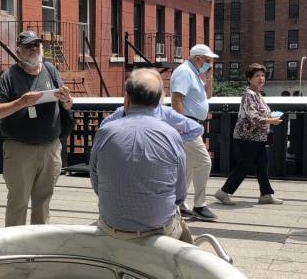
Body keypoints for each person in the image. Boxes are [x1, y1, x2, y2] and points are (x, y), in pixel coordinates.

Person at [90, 68, 193, 243]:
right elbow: (179, 194)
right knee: (186, 239)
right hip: (159, 231)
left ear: (127, 98)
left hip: (113, 227)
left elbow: (96, 182)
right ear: (159, 101)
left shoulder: (105, 131)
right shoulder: (171, 134)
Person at [0, 30, 73, 226]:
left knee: (43, 202)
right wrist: (21, 102)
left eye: (36, 44)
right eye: (28, 46)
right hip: (20, 150)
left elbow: (67, 105)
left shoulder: (51, 70)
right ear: (19, 52)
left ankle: (39, 248)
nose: (34, 48)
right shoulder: (9, 76)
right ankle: (14, 249)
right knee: (18, 202)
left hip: (50, 148)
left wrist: (67, 100)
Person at [215, 63, 283, 205]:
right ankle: (223, 192)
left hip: (257, 138)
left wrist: (270, 118)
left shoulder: (257, 94)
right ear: (249, 78)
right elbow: (253, 117)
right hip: (247, 137)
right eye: (257, 76)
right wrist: (271, 120)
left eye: (263, 75)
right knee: (245, 165)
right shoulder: (249, 95)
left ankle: (266, 195)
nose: (261, 78)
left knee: (262, 164)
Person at [170, 44, 219, 221]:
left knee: (188, 168)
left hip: (193, 125)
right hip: (188, 125)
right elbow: (176, 99)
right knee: (204, 162)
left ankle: (179, 204)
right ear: (197, 58)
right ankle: (200, 205)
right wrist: (182, 126)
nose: (209, 65)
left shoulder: (195, 73)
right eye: (207, 61)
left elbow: (209, 96)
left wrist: (209, 76)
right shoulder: (184, 72)